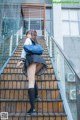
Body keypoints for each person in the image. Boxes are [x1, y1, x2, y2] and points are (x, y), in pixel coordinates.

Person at [17, 30, 47, 115]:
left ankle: (32, 109)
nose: (27, 36)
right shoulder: (35, 42)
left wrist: (21, 61)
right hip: (39, 61)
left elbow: (24, 51)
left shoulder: (28, 40)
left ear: (30, 35)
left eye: (27, 34)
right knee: (32, 77)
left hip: (31, 60)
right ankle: (36, 96)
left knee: (30, 81)